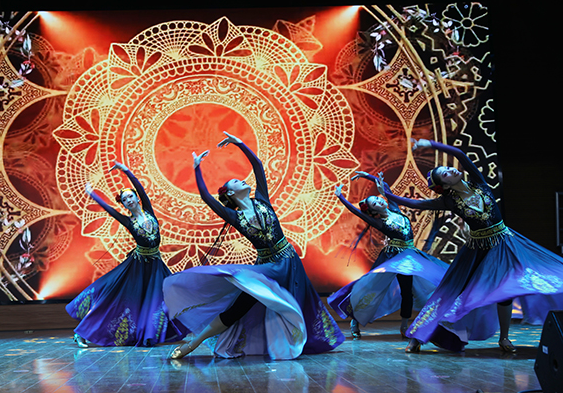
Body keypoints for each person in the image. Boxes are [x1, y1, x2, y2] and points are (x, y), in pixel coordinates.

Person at [164, 132, 344, 360]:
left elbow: (257, 165)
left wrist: (239, 143)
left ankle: (300, 343)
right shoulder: (234, 216)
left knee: (299, 303)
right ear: (231, 193)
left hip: (289, 262)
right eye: (236, 182)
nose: (242, 180)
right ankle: (193, 344)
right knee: (239, 308)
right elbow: (206, 197)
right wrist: (197, 168)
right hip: (266, 267)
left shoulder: (261, 199)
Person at [385, 138, 563, 353]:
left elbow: (460, 155)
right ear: (445, 185)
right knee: (450, 291)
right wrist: (387, 194)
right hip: (477, 250)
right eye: (445, 174)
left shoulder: (479, 184)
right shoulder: (450, 201)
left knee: (507, 292)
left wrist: (430, 144)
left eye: (448, 168)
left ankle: (504, 338)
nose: (451, 170)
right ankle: (418, 337)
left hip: (504, 244)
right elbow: (416, 204)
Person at [66, 161, 187, 347]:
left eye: (131, 196)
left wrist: (126, 171)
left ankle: (150, 333)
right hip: (138, 266)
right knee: (115, 297)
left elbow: (140, 188)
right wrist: (92, 194)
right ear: (124, 205)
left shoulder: (149, 211)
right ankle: (81, 333)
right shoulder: (128, 221)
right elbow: (109, 209)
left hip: (155, 265)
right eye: (125, 200)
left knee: (163, 297)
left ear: (137, 198)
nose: (129, 200)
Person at [329, 172, 448, 343]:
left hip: (409, 256)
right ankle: (355, 320)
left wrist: (367, 175)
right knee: (372, 288)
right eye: (374, 203)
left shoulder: (394, 209)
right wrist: (340, 197)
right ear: (373, 212)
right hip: (392, 257)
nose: (379, 201)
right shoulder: (379, 222)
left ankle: (404, 325)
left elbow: (384, 187)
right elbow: (356, 211)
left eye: (377, 199)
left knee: (407, 291)